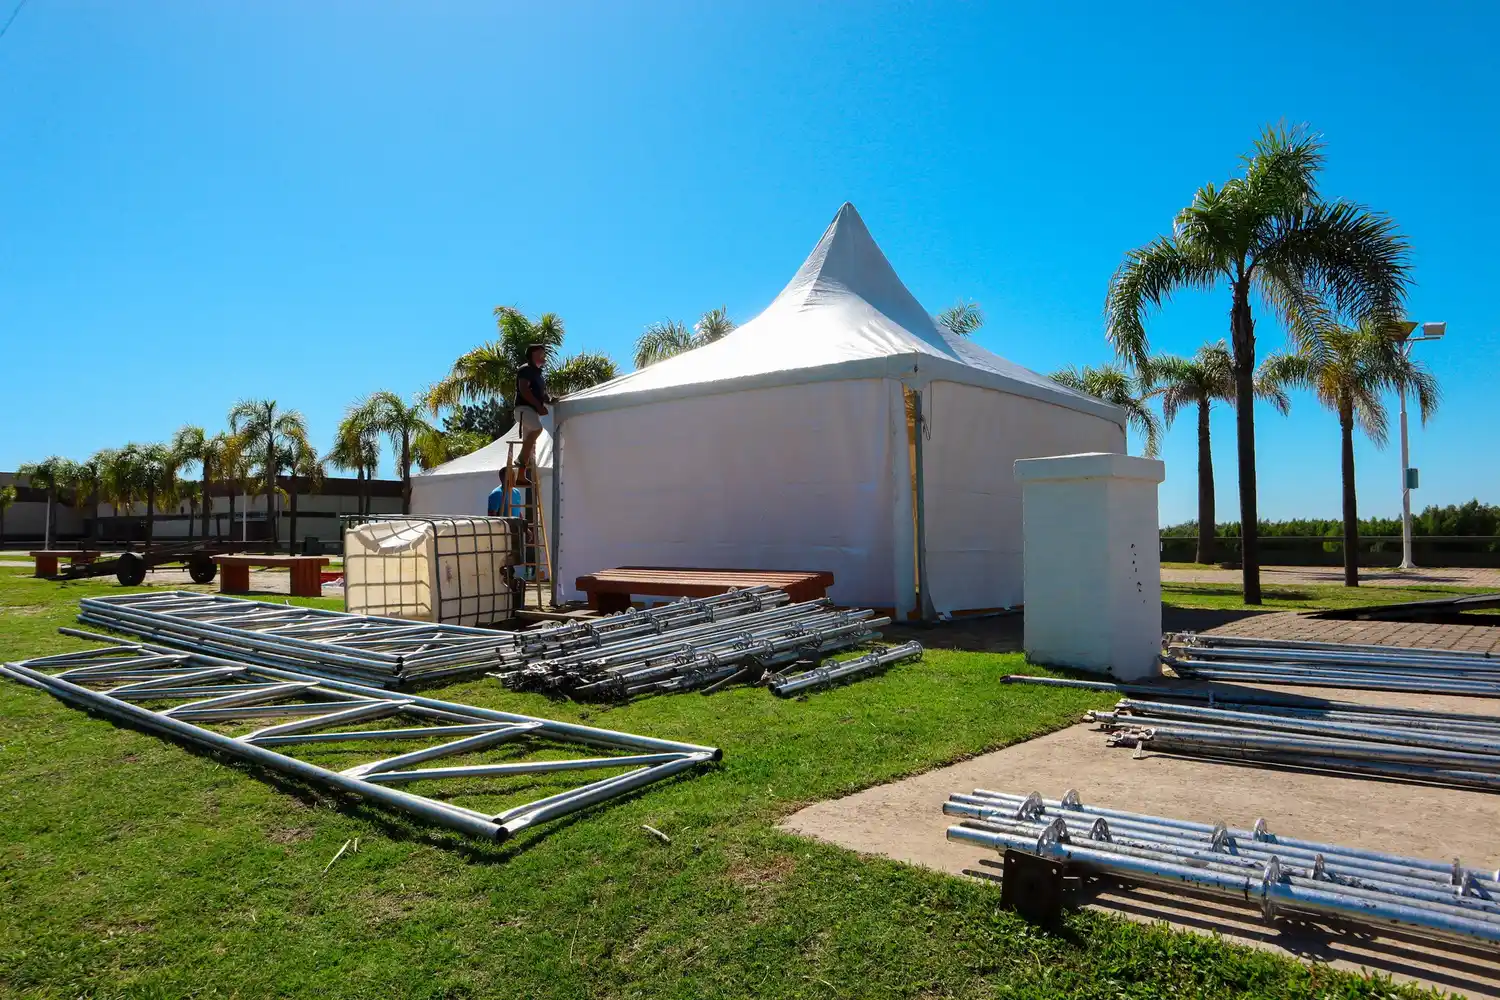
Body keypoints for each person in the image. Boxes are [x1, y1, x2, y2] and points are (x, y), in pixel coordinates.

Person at [513, 343, 552, 484]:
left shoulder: (537, 373)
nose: (544, 356)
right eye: (541, 353)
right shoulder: (526, 369)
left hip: (531, 412)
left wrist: (549, 400)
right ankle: (520, 460)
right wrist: (538, 406)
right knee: (537, 429)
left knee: (529, 445)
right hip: (524, 409)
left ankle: (521, 477)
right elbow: (524, 389)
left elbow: (540, 392)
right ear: (533, 354)